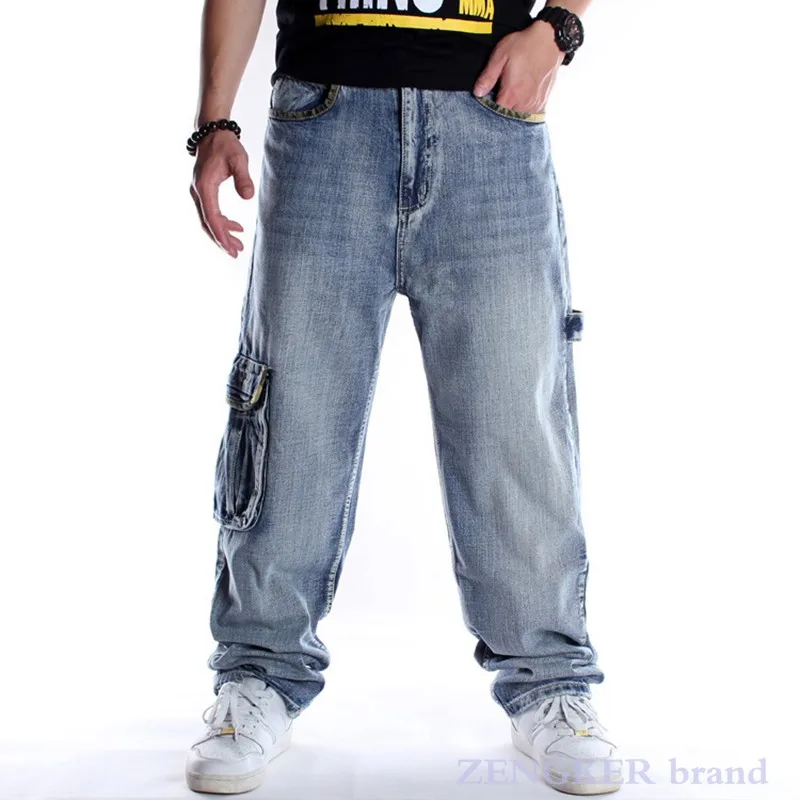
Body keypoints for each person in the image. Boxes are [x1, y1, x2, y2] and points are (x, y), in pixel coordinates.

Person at [185, 0, 622, 794]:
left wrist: (557, 28)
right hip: (324, 118)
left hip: (490, 117)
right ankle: (256, 676)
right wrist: (214, 120)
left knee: (512, 420)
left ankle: (550, 682)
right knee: (293, 413)